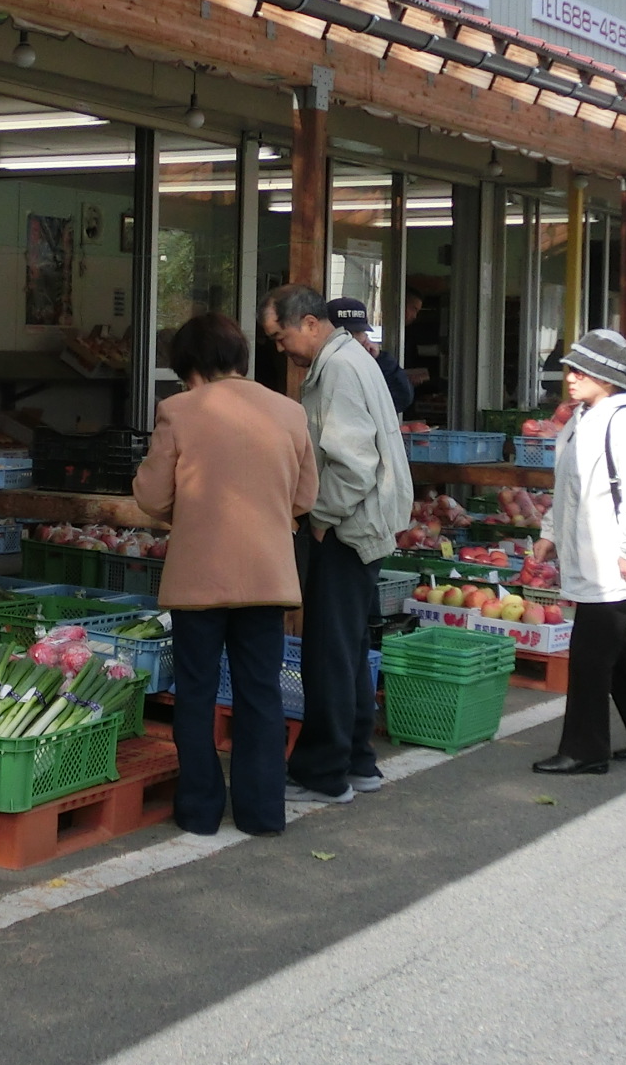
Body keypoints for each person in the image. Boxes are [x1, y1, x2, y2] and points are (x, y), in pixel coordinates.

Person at [132, 314, 320, 838]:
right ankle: (263, 813)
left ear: (191, 367)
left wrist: (190, 513)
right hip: (267, 574)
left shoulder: (178, 411)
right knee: (260, 691)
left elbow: (150, 496)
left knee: (196, 690)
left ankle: (199, 811)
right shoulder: (289, 411)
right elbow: (305, 497)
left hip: (199, 577)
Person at [260, 282, 412, 808]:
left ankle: (324, 772)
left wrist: (322, 516)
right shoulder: (346, 359)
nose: (281, 350)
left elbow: (352, 463)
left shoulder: (339, 369)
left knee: (329, 652)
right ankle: (356, 760)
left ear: (309, 323)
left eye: (280, 338)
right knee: (346, 650)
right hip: (362, 525)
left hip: (346, 528)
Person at [528, 328, 626, 777]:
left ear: (607, 376)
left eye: (581, 370)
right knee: (612, 651)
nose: (570, 377)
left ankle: (585, 749)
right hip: (594, 556)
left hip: (615, 561)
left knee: (591, 655)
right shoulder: (582, 418)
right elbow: (567, 486)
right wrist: (551, 532)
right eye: (570, 369)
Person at [324, 296, 416, 418]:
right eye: (346, 333)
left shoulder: (367, 360)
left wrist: (380, 359)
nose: (352, 339)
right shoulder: (324, 360)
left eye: (358, 333)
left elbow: (401, 399)